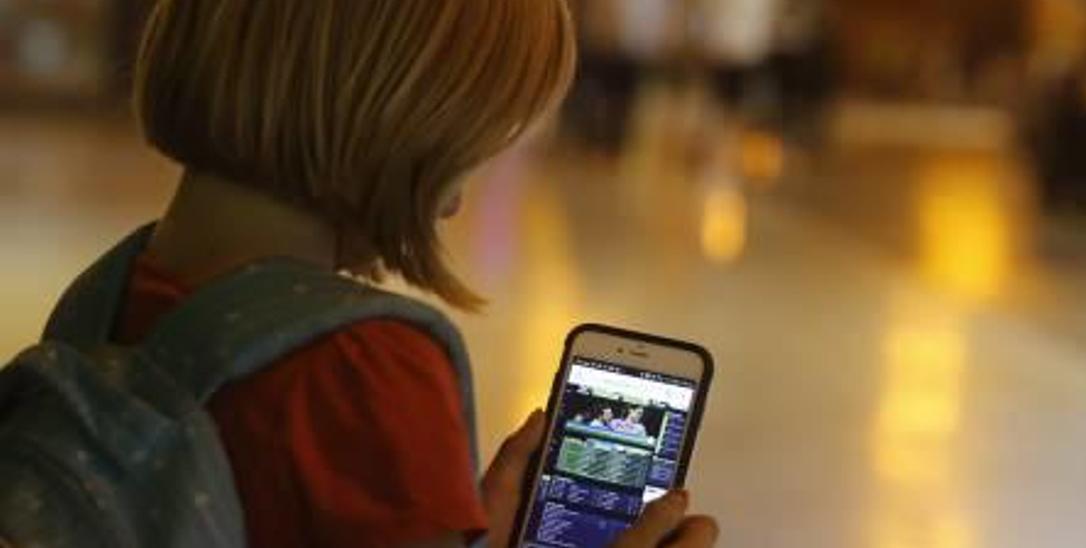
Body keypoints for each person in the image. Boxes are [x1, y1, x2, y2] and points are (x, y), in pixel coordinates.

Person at [113, 1, 719, 547]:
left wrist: (424, 514)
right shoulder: (364, 365)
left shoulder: (109, 293)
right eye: (462, 151)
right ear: (394, 114)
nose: (453, 203)